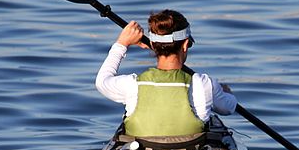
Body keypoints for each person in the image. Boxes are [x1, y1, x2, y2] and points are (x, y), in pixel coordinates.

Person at [95, 10, 237, 138]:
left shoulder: (132, 85)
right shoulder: (204, 84)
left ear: (152, 44)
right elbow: (228, 108)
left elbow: (101, 81)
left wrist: (121, 44)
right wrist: (226, 92)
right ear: (185, 44)